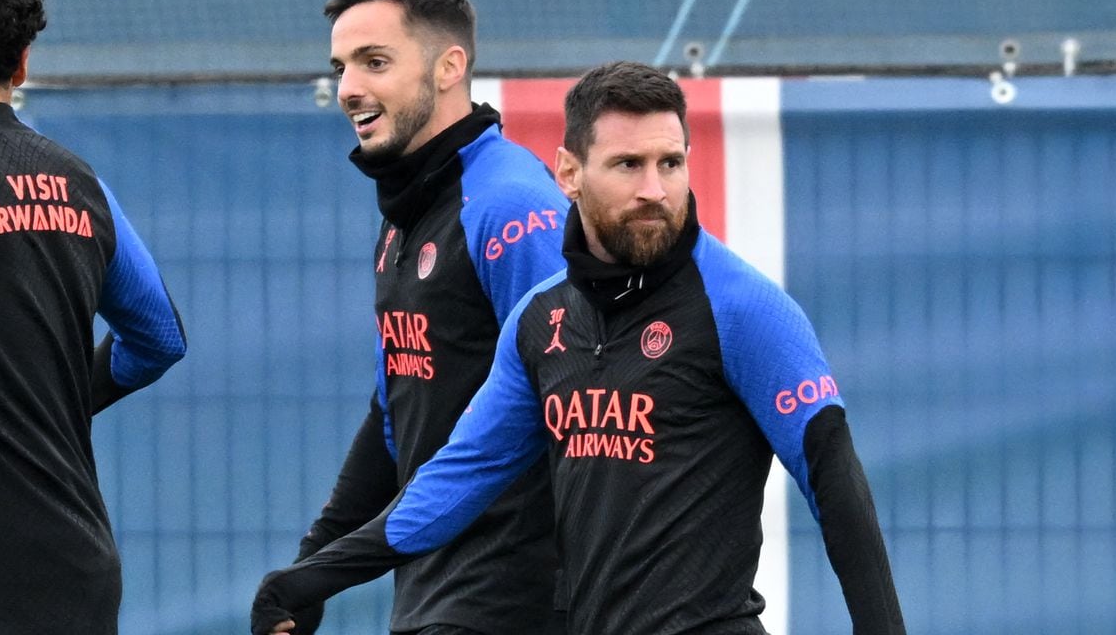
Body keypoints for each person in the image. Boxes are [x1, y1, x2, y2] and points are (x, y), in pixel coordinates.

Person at [253, 60, 905, 634]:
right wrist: (312, 576)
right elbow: (451, 485)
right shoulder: (540, 322)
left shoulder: (742, 307)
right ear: (569, 172)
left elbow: (835, 481)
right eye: (628, 165)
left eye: (670, 163)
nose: (654, 189)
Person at [257, 0, 570, 635]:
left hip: (521, 602)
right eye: (341, 66)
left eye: (374, 62)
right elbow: (396, 412)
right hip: (434, 591)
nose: (349, 88)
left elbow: (575, 407)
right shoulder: (406, 216)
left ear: (448, 66)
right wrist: (312, 570)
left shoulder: (512, 206)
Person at [0, 0, 187, 634]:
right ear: (22, 63)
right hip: (80, 570)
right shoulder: (78, 180)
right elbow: (158, 338)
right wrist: (41, 401)